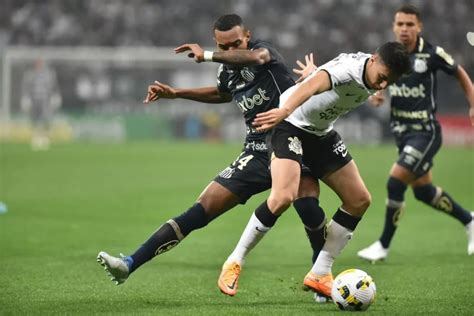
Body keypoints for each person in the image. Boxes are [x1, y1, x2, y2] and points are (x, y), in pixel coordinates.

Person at [97, 14, 327, 291]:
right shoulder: (226, 71)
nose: (231, 51)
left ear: (248, 36)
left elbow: (255, 59)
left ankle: (320, 273)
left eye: (236, 43)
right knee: (201, 209)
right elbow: (222, 93)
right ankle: (129, 264)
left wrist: (207, 55)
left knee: (306, 204)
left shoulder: (265, 53)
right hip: (256, 149)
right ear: (217, 42)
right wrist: (177, 93)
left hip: (292, 138)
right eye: (224, 46)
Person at [217, 42, 411, 298]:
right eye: (383, 78)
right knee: (283, 197)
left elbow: (329, 79)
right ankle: (234, 262)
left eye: (390, 82)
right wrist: (285, 108)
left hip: (321, 133)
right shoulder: (349, 70)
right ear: (374, 60)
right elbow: (312, 85)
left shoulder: (373, 73)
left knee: (359, 199)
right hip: (288, 124)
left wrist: (372, 90)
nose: (383, 84)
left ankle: (320, 273)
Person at [357, 4, 474, 263]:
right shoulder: (391, 54)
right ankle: (469, 220)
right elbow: (381, 76)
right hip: (402, 133)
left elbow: (460, 74)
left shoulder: (431, 54)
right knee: (424, 191)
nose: (404, 29)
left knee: (395, 181)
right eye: (400, 24)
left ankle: (383, 245)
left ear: (419, 27)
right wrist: (379, 93)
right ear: (393, 26)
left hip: (426, 131)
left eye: (410, 24)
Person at [21, 58, 61, 150]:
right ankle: (36, 138)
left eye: (40, 63)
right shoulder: (30, 75)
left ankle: (45, 138)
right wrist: (25, 98)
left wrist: (55, 96)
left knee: (46, 119)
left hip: (45, 101)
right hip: (34, 100)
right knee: (34, 120)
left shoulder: (49, 75)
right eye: (37, 63)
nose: (39, 65)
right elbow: (26, 87)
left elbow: (54, 86)